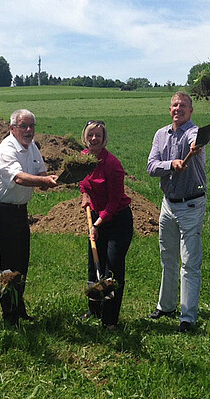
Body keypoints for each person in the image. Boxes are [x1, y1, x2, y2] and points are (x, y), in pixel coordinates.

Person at [0, 109, 58, 325]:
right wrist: (42, 182)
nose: (28, 130)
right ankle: (9, 314)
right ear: (12, 128)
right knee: (9, 264)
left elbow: (40, 174)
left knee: (22, 262)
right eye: (23, 126)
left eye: (32, 126)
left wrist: (51, 179)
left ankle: (19, 307)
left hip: (20, 211)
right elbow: (18, 178)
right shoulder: (7, 149)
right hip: (2, 211)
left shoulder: (33, 147)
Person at [146, 91, 206, 333]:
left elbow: (197, 140)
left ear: (191, 111)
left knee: (189, 262)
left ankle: (188, 316)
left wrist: (195, 146)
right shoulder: (161, 135)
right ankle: (166, 305)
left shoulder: (194, 134)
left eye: (183, 105)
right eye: (174, 105)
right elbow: (151, 166)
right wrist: (171, 165)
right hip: (168, 204)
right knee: (167, 257)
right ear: (169, 109)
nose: (178, 108)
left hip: (191, 204)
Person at [79, 120, 133, 331]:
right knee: (94, 265)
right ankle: (95, 311)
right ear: (86, 137)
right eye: (91, 135)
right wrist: (85, 194)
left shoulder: (112, 165)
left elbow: (114, 202)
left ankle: (110, 320)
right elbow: (83, 182)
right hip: (96, 216)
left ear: (104, 139)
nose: (94, 139)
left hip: (117, 221)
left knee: (112, 267)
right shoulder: (83, 159)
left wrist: (97, 224)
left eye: (98, 136)